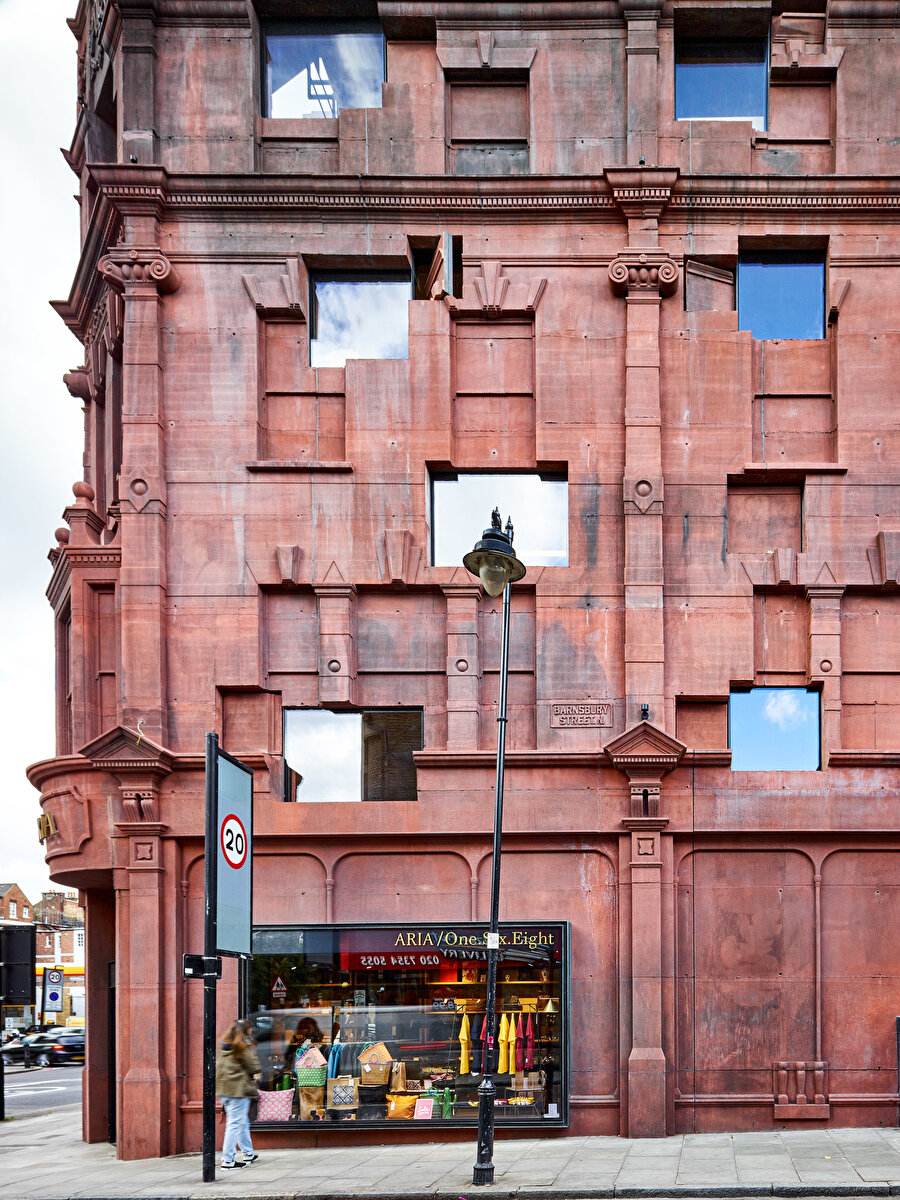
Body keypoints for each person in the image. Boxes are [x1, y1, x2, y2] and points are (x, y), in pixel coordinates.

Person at [215, 1019, 260, 1169]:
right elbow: (252, 1066)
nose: (251, 1031)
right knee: (234, 1124)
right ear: (245, 1031)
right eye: (249, 1029)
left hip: (225, 1091)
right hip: (238, 1091)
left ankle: (248, 1152)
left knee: (241, 1122)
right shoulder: (242, 1046)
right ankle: (227, 1160)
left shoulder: (224, 1046)